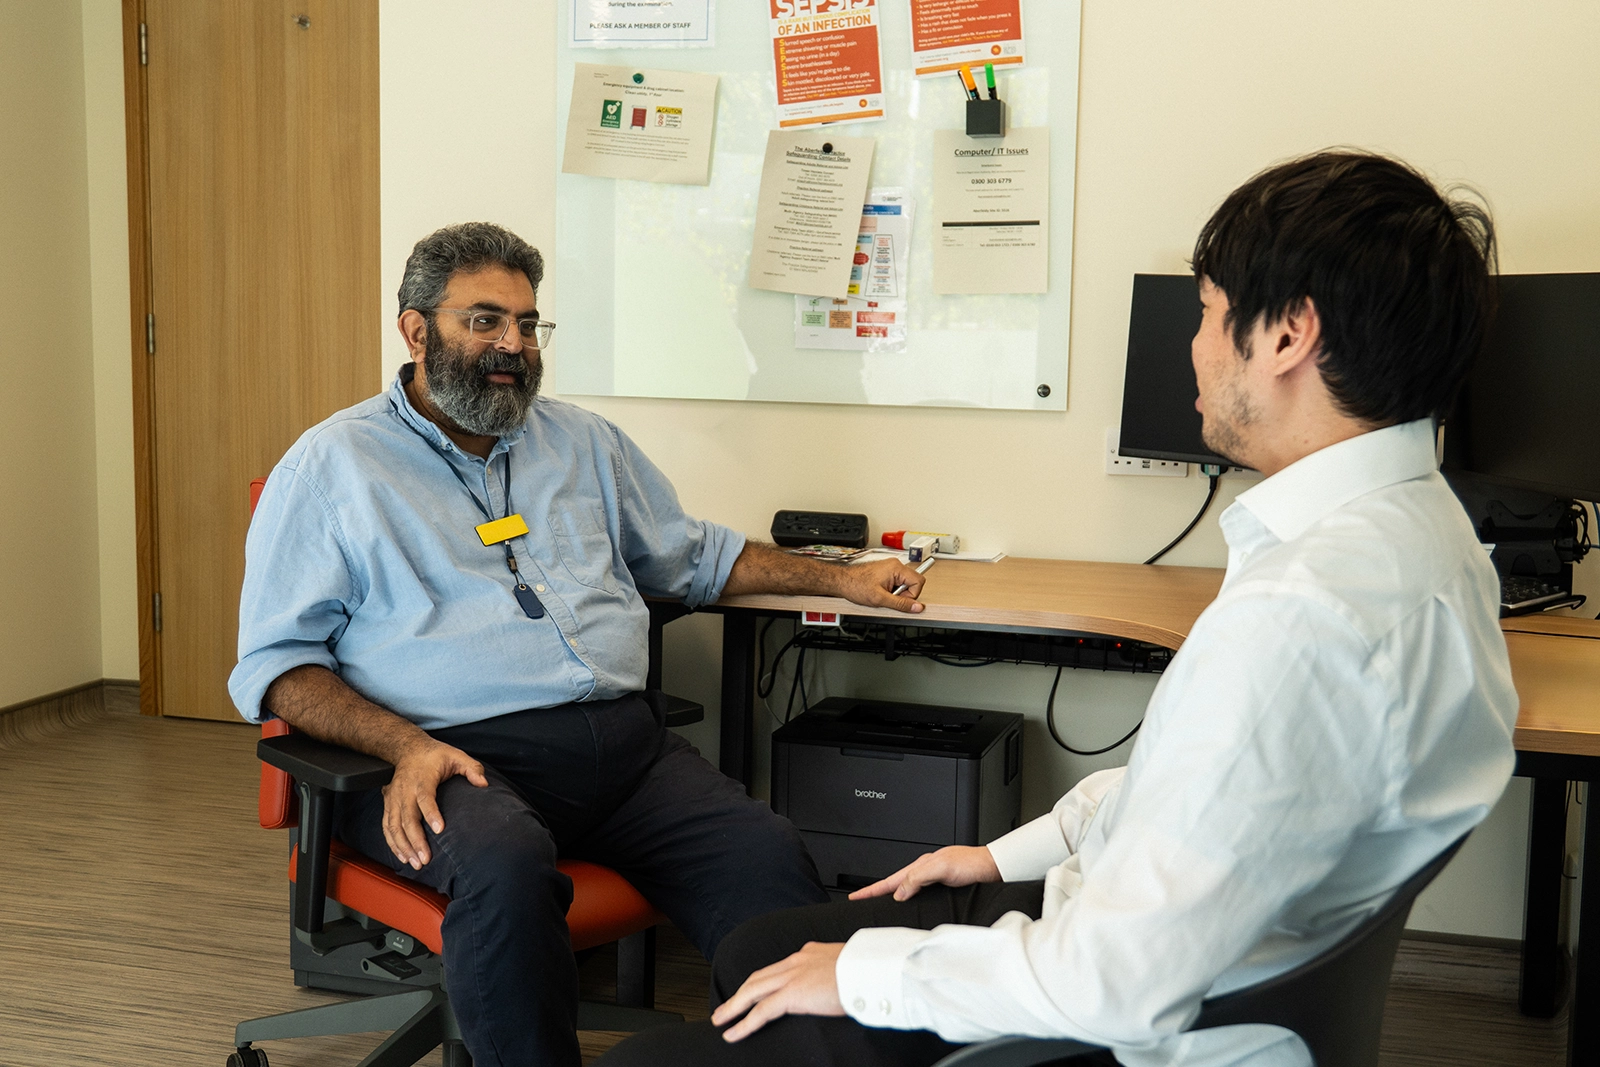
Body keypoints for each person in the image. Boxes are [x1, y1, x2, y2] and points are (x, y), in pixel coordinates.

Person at [598, 150, 1519, 1067]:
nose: (1192, 345)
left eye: (1205, 312)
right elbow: (1221, 788)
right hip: (1189, 954)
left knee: (681, 1038)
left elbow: (1116, 979)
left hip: (1125, 1011)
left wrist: (871, 975)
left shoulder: (1299, 617)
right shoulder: (1430, 540)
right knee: (760, 949)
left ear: (1287, 336)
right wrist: (1010, 854)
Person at [229, 221, 929, 1067]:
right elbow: (276, 669)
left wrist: (841, 579)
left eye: (527, 324)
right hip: (449, 758)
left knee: (765, 854)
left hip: (624, 753)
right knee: (504, 862)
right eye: (484, 321)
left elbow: (693, 554)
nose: (513, 345)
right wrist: (406, 744)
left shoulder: (582, 442)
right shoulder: (333, 467)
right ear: (416, 331)